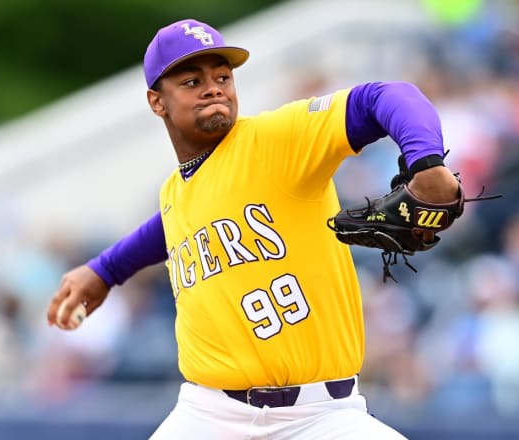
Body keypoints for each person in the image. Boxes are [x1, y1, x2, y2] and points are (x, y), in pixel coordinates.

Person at [46, 18, 460, 439]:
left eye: (222, 76)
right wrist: (104, 270)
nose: (213, 87)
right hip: (207, 415)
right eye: (192, 81)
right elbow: (171, 226)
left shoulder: (273, 142)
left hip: (320, 416)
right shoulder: (177, 188)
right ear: (157, 102)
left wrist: (426, 161)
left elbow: (388, 96)